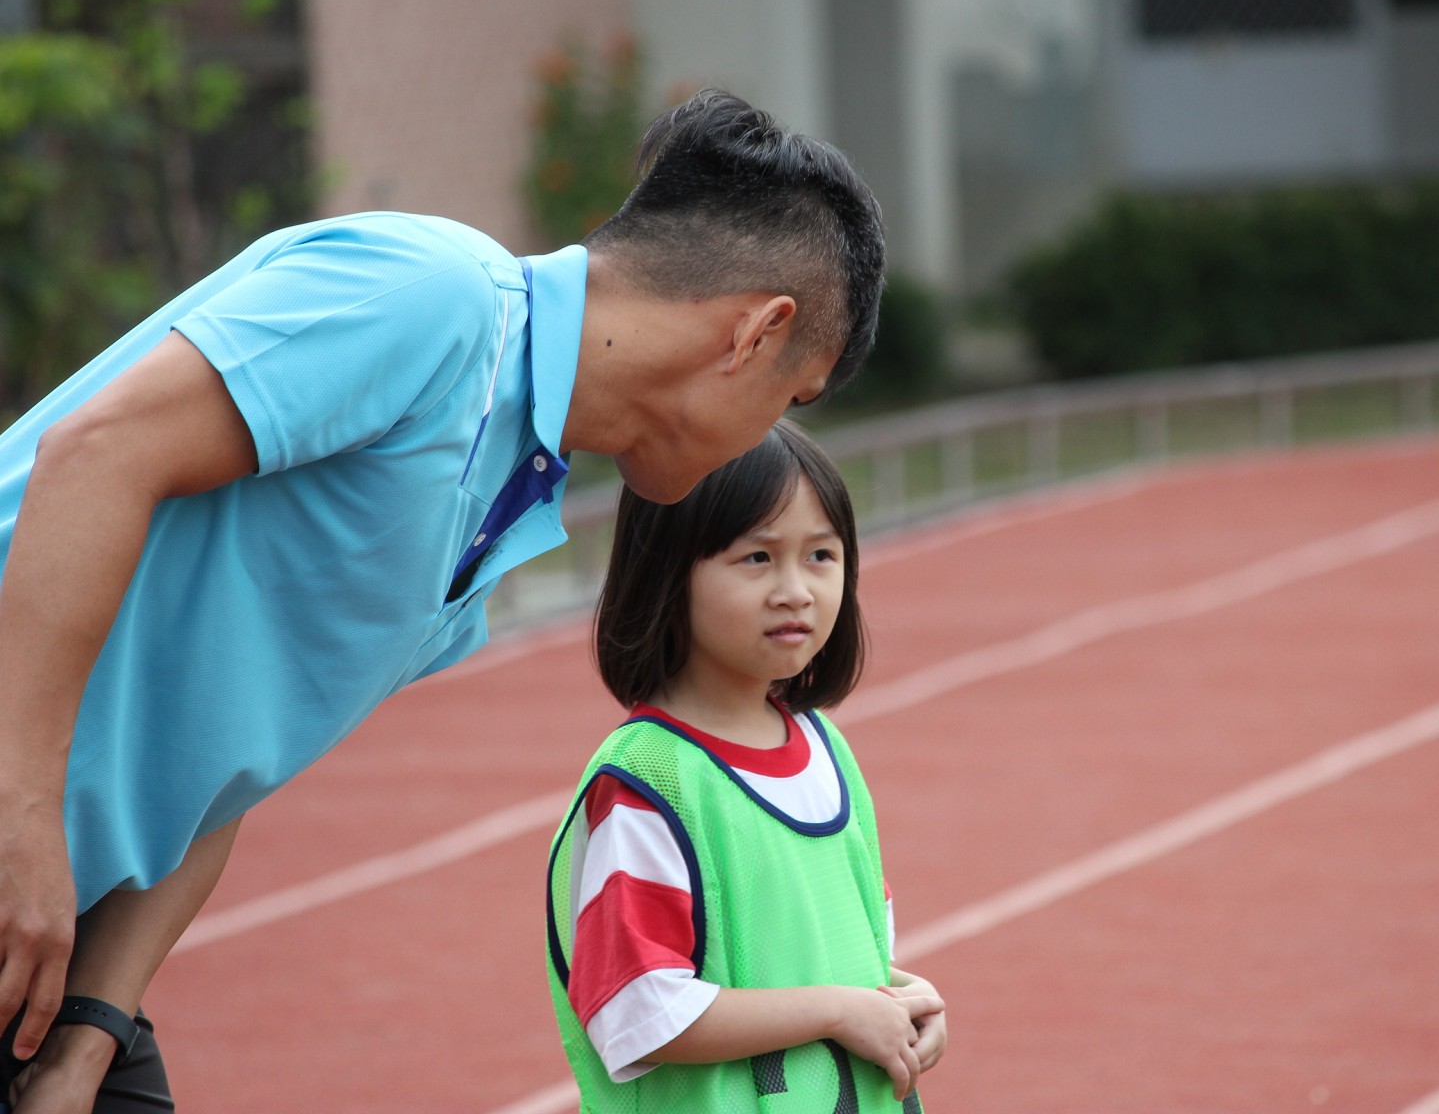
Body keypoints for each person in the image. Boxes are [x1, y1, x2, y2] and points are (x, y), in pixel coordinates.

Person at [0, 90, 884, 1111]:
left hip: (56, 939)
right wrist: (24, 822)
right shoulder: (437, 297)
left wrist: (93, 1031)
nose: (769, 437)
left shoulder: (507, 510)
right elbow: (95, 455)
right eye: (791, 397)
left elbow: (228, 763)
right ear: (756, 333)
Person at [545, 421, 947, 1111]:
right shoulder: (650, 782)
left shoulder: (826, 748)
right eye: (757, 557)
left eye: (821, 555)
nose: (795, 590)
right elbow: (636, 1005)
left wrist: (902, 998)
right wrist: (838, 1011)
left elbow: (840, 960)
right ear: (667, 572)